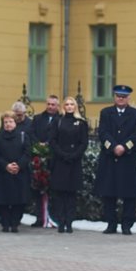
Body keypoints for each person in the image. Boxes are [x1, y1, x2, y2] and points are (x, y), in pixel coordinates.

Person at [95, 85, 136, 234]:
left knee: (128, 194)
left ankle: (127, 225)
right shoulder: (106, 112)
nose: (120, 99)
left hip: (127, 158)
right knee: (109, 193)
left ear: (128, 98)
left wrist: (124, 147)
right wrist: (113, 147)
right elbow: (103, 133)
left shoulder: (135, 114)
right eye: (118, 96)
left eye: (124, 96)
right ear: (114, 97)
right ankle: (111, 223)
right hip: (110, 157)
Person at [49, 96, 87, 233]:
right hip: (60, 161)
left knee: (71, 194)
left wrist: (74, 155)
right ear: (63, 106)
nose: (69, 106)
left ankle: (69, 222)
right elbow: (52, 141)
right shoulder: (58, 121)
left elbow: (84, 143)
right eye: (67, 104)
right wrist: (62, 154)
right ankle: (61, 221)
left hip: (74, 162)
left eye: (72, 104)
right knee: (60, 194)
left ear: (75, 107)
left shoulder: (81, 123)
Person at [0, 111, 32, 232]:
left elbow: (27, 152)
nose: (8, 124)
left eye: (10, 121)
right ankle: (5, 222)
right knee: (3, 199)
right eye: (6, 122)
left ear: (15, 123)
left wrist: (18, 165)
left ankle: (15, 223)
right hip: (3, 173)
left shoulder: (23, 136)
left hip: (20, 173)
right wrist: (6, 165)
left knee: (18, 199)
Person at [30, 95, 62, 227]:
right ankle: (40, 217)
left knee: (54, 189)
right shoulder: (37, 118)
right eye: (48, 104)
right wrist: (39, 145)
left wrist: (49, 145)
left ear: (57, 106)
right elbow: (31, 134)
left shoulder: (61, 119)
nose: (50, 106)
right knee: (39, 189)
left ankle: (54, 217)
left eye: (53, 104)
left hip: (54, 158)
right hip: (38, 158)